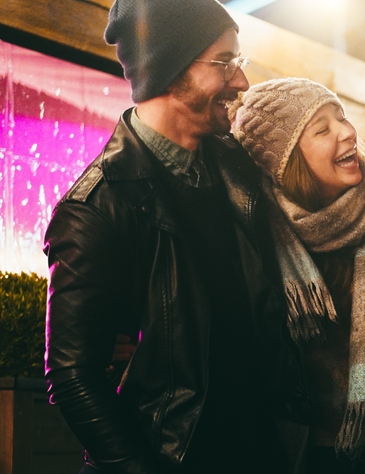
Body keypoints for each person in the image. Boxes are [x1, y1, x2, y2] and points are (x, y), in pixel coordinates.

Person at [43, 1, 308, 473]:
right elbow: (72, 378)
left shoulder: (237, 163)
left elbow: (314, 173)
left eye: (238, 61)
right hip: (176, 458)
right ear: (167, 69)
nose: (241, 81)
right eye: (224, 62)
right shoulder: (98, 206)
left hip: (262, 451)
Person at [229, 78, 365, 473]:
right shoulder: (257, 236)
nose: (347, 132)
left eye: (341, 117)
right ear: (286, 161)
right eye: (322, 129)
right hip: (287, 450)